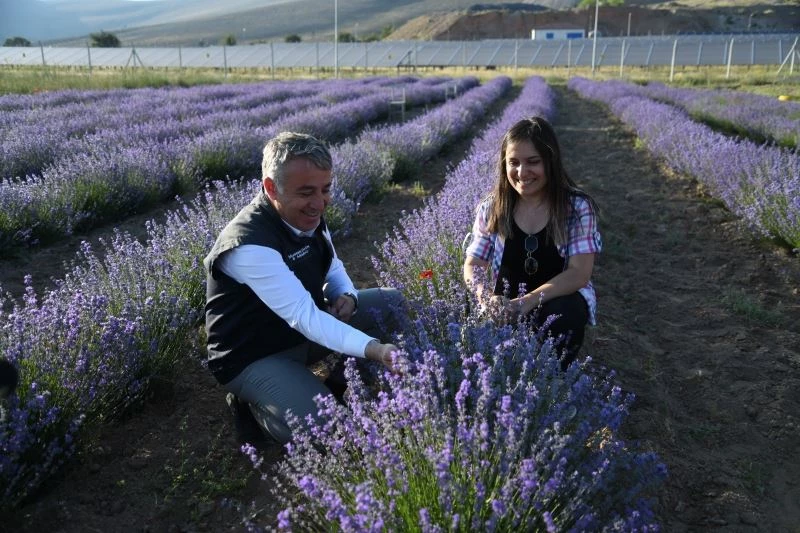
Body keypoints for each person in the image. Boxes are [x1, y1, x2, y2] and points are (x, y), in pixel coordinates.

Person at [204, 131, 404, 446]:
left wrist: (347, 295)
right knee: (322, 427)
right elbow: (304, 315)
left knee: (391, 303)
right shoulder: (248, 244)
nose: (319, 203)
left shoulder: (305, 214)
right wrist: (376, 350)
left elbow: (332, 264)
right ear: (271, 188)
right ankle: (256, 403)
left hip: (302, 335)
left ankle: (341, 379)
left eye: (326, 190)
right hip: (256, 355)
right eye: (307, 192)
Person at [463, 116, 602, 369]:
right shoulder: (492, 208)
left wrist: (525, 303)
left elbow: (579, 273)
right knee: (456, 310)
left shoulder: (576, 208)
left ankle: (553, 379)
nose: (522, 172)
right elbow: (473, 264)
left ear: (551, 162)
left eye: (532, 162)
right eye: (513, 163)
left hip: (552, 301)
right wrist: (486, 299)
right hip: (502, 305)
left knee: (564, 314)